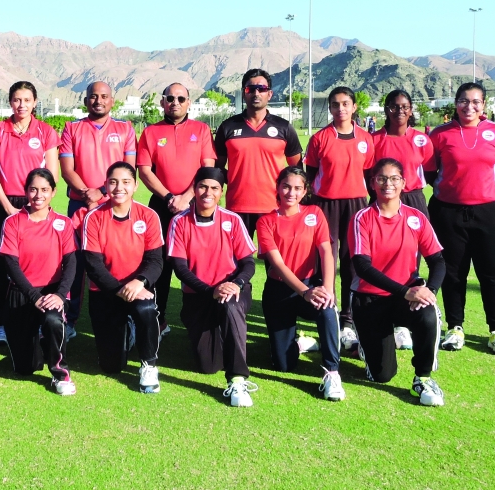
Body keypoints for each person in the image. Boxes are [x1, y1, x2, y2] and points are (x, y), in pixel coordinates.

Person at [348, 158, 448, 407]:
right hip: (369, 299)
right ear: (372, 183)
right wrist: (405, 292)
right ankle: (368, 344)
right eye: (381, 178)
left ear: (403, 183)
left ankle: (423, 377)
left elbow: (438, 261)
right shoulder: (362, 218)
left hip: (407, 296)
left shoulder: (416, 217)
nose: (388, 184)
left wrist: (429, 290)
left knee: (428, 312)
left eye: (394, 178)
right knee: (382, 375)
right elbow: (363, 267)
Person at [429, 82, 495, 356]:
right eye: (464, 101)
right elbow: (431, 173)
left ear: (484, 105)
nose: (470, 106)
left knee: (493, 272)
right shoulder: (440, 135)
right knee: (453, 272)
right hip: (448, 212)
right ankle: (455, 327)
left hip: (490, 211)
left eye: (476, 101)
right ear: (455, 103)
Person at [166, 167, 257, 407]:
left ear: (222, 191)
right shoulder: (179, 221)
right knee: (208, 366)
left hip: (231, 290)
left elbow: (248, 263)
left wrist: (235, 283)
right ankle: (220, 334)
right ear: (194, 190)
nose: (208, 192)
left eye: (214, 188)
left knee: (229, 307)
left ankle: (237, 380)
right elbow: (180, 268)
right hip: (199, 296)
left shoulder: (232, 220)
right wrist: (209, 291)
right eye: (203, 186)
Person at [256, 166, 344, 401]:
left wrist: (327, 289)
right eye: (286, 186)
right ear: (278, 187)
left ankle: (332, 372)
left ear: (305, 190)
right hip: (279, 291)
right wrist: (305, 292)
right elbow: (277, 264)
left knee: (327, 309)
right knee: (283, 365)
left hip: (311, 285)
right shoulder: (265, 221)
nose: (291, 192)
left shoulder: (315, 212)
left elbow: (326, 250)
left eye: (297, 188)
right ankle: (300, 342)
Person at [59, 81, 137, 339]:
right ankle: (68, 321)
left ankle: (126, 316)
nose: (98, 100)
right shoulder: (72, 128)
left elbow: (128, 171)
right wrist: (88, 194)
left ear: (112, 101)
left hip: (114, 205)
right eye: (93, 96)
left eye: (104, 96)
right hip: (80, 205)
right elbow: (67, 169)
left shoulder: (125, 129)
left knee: (118, 262)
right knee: (75, 262)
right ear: (86, 101)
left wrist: (103, 193)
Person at [137, 83, 216, 335]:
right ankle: (157, 320)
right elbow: (144, 170)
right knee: (159, 263)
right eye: (170, 98)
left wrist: (186, 197)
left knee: (198, 263)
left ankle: (202, 320)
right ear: (162, 102)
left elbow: (208, 169)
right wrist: (171, 197)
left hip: (196, 205)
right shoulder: (150, 132)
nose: (175, 102)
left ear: (189, 102)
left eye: (181, 98)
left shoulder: (201, 130)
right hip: (162, 205)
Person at [0, 81, 59, 346]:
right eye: (16, 100)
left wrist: (35, 203)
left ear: (35, 102)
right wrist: (6, 207)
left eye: (27, 100)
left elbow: (53, 175)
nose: (21, 105)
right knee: (4, 266)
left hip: (34, 203)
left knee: (33, 265)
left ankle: (37, 319)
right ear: (10, 102)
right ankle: (2, 324)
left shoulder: (47, 132)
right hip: (5, 204)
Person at [303, 87, 375, 355]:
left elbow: (370, 176)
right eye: (335, 104)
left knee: (352, 262)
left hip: (356, 204)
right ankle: (325, 311)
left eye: (345, 104)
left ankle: (348, 318)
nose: (341, 109)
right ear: (330, 108)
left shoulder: (366, 138)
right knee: (326, 259)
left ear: (354, 107)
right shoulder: (320, 138)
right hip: (325, 204)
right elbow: (309, 176)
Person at [80, 162, 163, 392]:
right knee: (111, 366)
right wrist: (119, 290)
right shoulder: (94, 217)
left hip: (137, 289)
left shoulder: (148, 216)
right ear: (106, 185)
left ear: (135, 186)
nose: (119, 187)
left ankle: (149, 365)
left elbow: (156, 261)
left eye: (126, 182)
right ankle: (128, 330)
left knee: (146, 309)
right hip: (105, 293)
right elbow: (93, 265)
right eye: (113, 182)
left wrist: (140, 282)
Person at [0, 169, 77, 395]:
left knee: (53, 321)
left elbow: (71, 263)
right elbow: (11, 264)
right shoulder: (13, 222)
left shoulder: (63, 223)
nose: (38, 195)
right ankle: (41, 343)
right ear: (25, 192)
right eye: (33, 189)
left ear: (53, 192)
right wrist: (34, 297)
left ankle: (60, 373)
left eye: (44, 189)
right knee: (25, 368)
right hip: (22, 292)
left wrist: (60, 295)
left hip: (52, 292)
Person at [370, 89, 436, 351]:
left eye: (405, 107)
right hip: (383, 199)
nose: (400, 111)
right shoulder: (375, 139)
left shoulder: (422, 139)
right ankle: (386, 314)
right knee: (383, 256)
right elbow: (368, 172)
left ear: (411, 110)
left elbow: (430, 171)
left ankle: (409, 316)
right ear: (386, 109)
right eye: (394, 106)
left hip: (413, 199)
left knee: (413, 259)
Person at [214, 69, 302, 238]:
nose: (256, 93)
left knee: (275, 263)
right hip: (237, 208)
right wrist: (234, 178)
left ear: (269, 94)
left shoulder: (284, 127)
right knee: (237, 263)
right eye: (250, 89)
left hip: (274, 207)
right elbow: (217, 168)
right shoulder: (227, 127)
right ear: (243, 93)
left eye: (261, 89)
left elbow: (297, 170)